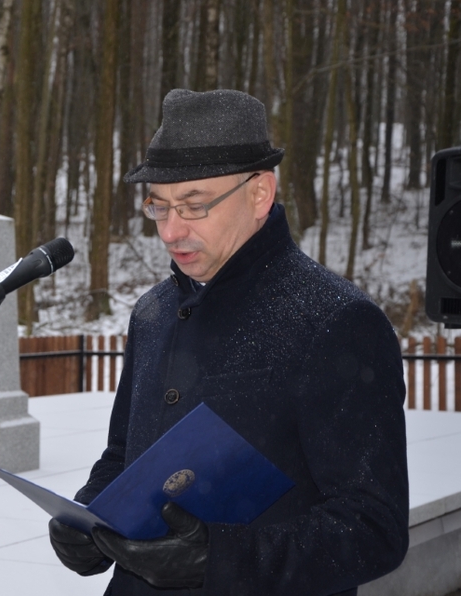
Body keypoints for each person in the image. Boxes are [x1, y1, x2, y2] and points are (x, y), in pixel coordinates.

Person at [48, 89, 409, 595]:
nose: (171, 231)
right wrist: (88, 517)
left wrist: (223, 560)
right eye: (159, 206)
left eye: (194, 205)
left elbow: (374, 528)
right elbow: (124, 455)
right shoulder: (152, 312)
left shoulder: (336, 320)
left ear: (259, 193)